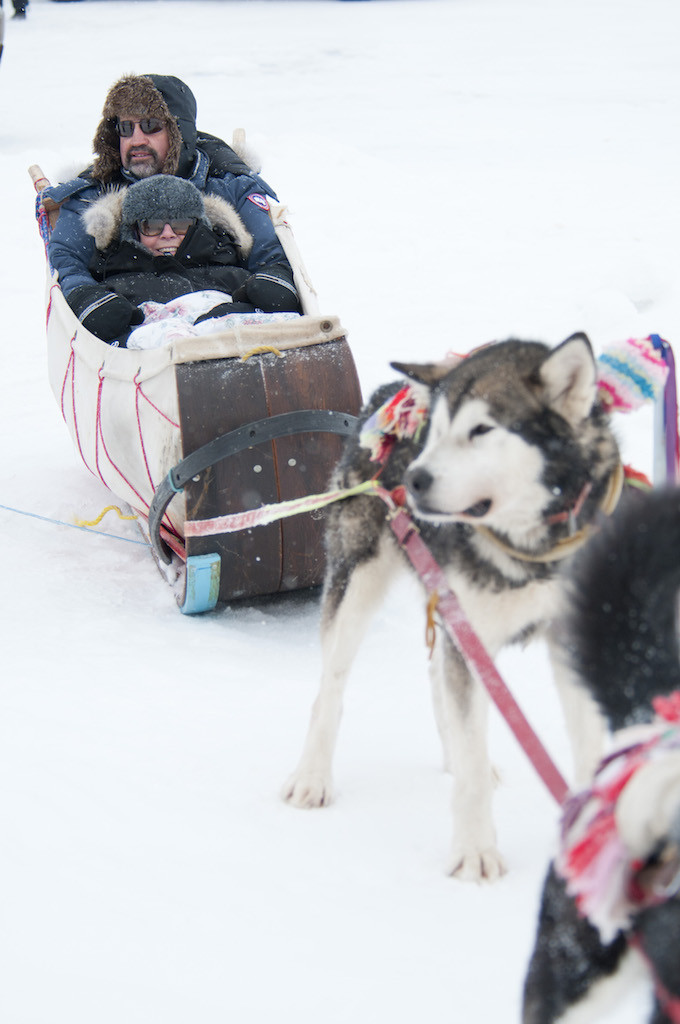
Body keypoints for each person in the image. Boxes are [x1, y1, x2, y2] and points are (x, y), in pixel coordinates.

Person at [45, 74, 300, 320]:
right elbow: (68, 260)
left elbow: (268, 252)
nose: (136, 140)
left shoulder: (229, 187)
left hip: (227, 313)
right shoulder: (94, 195)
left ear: (179, 131)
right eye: (125, 128)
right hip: (133, 326)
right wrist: (86, 297)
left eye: (150, 126)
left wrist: (273, 282)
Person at [73, 173, 299, 345]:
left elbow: (266, 307)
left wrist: (241, 306)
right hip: (158, 362)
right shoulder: (117, 282)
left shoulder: (230, 272)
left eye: (180, 224)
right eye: (152, 226)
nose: (168, 234)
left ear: (198, 227)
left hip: (235, 346)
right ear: (133, 232)